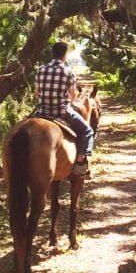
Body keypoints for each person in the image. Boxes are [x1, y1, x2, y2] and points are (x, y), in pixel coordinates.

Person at [34, 41, 94, 176]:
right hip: (62, 112)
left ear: (52, 54)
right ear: (64, 55)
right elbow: (72, 95)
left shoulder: (41, 69)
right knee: (87, 131)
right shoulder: (68, 71)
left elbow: (37, 93)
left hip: (41, 111)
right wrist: (67, 102)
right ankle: (80, 163)